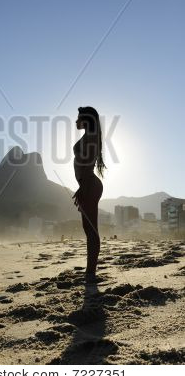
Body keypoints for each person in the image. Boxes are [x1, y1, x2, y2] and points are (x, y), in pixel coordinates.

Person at [72, 106, 106, 283]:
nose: (76, 121)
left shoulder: (92, 137)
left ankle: (91, 272)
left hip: (90, 185)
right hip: (87, 185)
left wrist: (82, 186)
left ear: (86, 120)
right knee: (88, 229)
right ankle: (89, 271)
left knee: (91, 230)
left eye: (78, 118)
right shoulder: (88, 136)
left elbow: (88, 163)